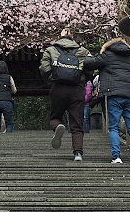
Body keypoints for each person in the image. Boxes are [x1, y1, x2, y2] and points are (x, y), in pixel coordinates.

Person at [83, 37, 130, 164]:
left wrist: (89, 57)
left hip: (113, 95)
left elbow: (89, 64)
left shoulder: (107, 56)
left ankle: (116, 157)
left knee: (113, 127)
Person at [39, 29, 91, 161]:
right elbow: (91, 67)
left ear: (59, 38)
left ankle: (57, 126)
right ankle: (78, 153)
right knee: (77, 123)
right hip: (77, 89)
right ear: (72, 38)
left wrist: (52, 79)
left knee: (55, 116)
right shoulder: (83, 51)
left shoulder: (50, 50)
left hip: (58, 88)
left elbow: (44, 68)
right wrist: (83, 79)